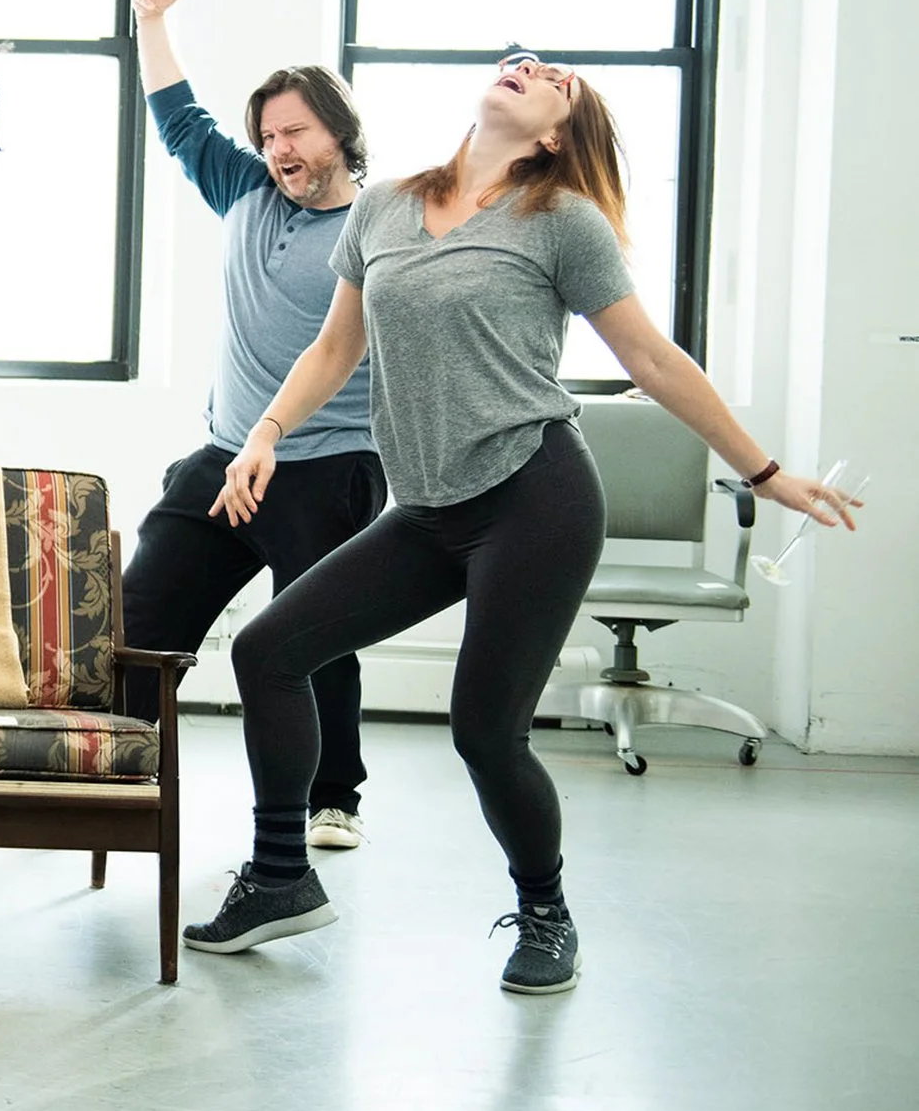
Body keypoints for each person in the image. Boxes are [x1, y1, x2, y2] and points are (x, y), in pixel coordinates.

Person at [185, 52, 861, 994]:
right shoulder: (386, 208)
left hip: (533, 495)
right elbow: (337, 344)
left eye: (555, 78)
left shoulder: (563, 223)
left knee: (483, 729)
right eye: (523, 59)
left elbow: (652, 361)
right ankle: (281, 875)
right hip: (427, 505)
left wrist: (766, 469)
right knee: (267, 650)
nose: (529, 66)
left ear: (553, 133)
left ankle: (546, 914)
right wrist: (264, 433)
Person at [119, 0, 384, 850]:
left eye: (296, 132)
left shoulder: (378, 224)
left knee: (315, 631)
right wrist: (152, 19)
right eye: (268, 135)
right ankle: (120, 759)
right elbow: (175, 116)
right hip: (225, 454)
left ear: (339, 134)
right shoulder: (242, 191)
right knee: (138, 616)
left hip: (331, 464)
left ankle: (333, 796)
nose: (279, 149)